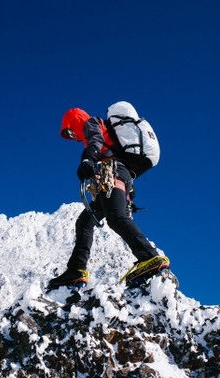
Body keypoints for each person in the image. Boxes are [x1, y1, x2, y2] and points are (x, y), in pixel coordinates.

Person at [49, 104, 169, 289]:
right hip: (117, 175)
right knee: (85, 221)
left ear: (74, 121)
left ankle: (150, 257)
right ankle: (76, 269)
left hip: (111, 173)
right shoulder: (109, 134)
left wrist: (88, 159)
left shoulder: (91, 123)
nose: (72, 137)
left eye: (70, 131)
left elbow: (96, 140)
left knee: (115, 217)